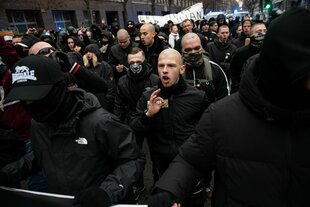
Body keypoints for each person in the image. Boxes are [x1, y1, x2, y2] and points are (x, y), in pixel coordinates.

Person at [147, 8, 310, 207]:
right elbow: (191, 159)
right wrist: (168, 190)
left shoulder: (214, 73)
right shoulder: (223, 116)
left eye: (196, 48)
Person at [1, 55, 145, 207]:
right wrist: (8, 173)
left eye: (34, 98)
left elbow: (133, 159)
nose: (29, 105)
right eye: (24, 100)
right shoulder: (38, 124)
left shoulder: (100, 122)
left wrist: (107, 191)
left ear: (56, 90)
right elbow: (42, 155)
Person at [130, 48, 210, 207]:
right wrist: (148, 114)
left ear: (182, 69)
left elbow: (208, 134)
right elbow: (134, 128)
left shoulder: (198, 96)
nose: (165, 70)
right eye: (161, 66)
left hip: (191, 167)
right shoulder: (149, 97)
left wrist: (207, 178)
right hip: (162, 167)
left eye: (171, 66)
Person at [114, 47, 159, 200]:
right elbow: (119, 105)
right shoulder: (122, 81)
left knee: (157, 155)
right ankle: (138, 185)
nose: (135, 65)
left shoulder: (155, 79)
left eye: (138, 61)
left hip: (153, 123)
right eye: (132, 62)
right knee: (134, 157)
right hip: (133, 123)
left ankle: (158, 183)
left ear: (144, 60)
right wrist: (119, 127)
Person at [181, 32, 229, 102]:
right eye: (188, 50)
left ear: (202, 48)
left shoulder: (215, 69)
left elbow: (224, 100)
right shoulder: (175, 71)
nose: (193, 52)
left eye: (197, 48)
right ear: (181, 50)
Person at [230, 22, 267, 93]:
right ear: (251, 34)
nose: (262, 34)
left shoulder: (270, 51)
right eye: (259, 32)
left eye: (265, 31)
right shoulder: (240, 53)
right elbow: (234, 74)